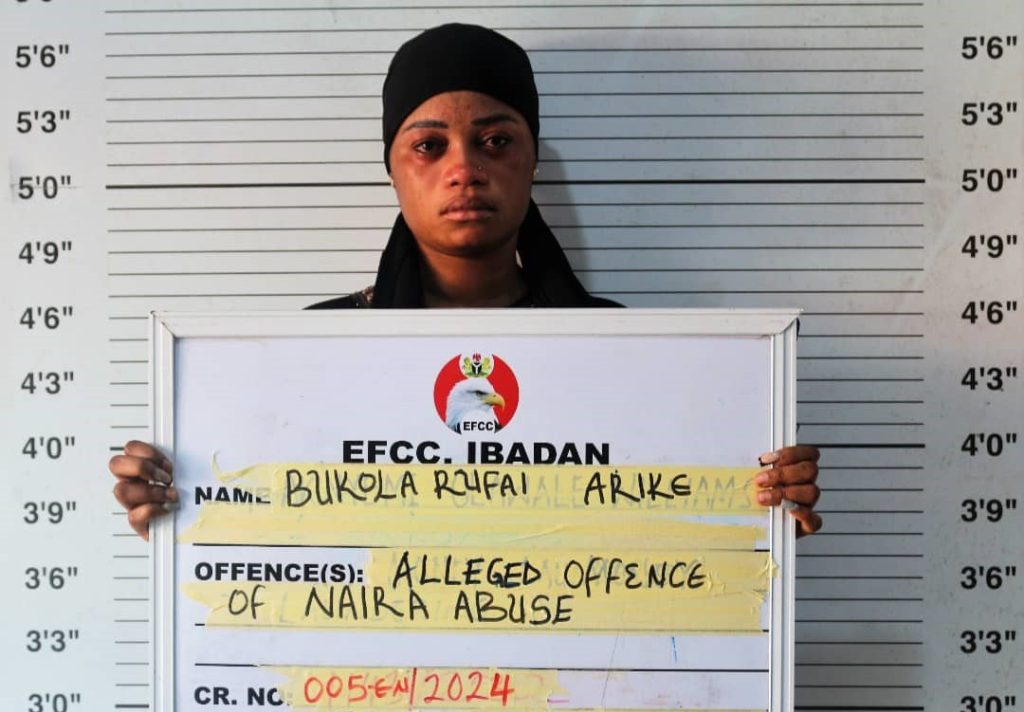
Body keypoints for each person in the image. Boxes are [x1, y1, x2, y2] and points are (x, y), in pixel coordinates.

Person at [110, 23, 822, 540]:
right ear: (392, 168)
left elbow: (676, 532)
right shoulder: (309, 352)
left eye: (495, 141)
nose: (464, 169)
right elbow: (266, 537)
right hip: (373, 694)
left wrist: (760, 509)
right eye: (429, 145)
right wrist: (182, 505)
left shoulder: (641, 357)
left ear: (533, 160)